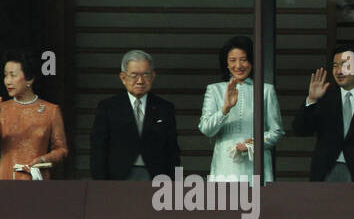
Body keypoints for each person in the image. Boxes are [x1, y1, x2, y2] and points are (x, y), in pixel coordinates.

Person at [291, 42, 354, 182]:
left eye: (346, 65)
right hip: (325, 174)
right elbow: (300, 130)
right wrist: (311, 100)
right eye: (335, 66)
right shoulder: (324, 99)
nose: (339, 71)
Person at [199, 35, 284, 182]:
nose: (238, 66)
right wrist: (225, 108)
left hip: (256, 164)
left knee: (259, 204)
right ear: (225, 62)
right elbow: (206, 129)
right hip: (225, 166)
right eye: (232, 60)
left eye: (243, 59)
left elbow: (277, 131)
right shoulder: (215, 90)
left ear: (252, 61)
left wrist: (253, 144)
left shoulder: (266, 90)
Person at [90, 50, 182, 181]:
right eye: (134, 75)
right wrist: (99, 182)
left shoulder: (165, 108)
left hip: (156, 177)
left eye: (145, 75)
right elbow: (98, 149)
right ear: (123, 78)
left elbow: (172, 151)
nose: (140, 81)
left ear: (153, 76)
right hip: (117, 176)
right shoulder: (108, 107)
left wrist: (174, 182)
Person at [0, 50, 68, 181]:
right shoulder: (2, 109)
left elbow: (61, 149)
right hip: (5, 179)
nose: (7, 81)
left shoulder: (51, 110)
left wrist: (43, 159)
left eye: (13, 75)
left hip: (36, 179)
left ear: (29, 79)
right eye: (5, 75)